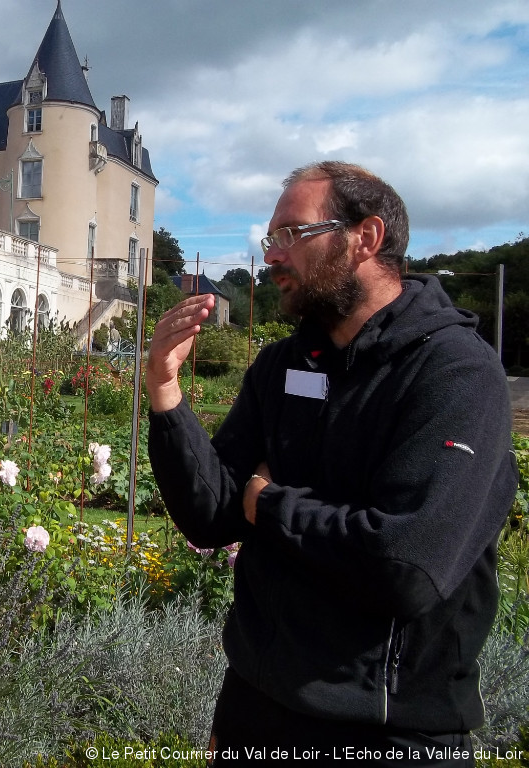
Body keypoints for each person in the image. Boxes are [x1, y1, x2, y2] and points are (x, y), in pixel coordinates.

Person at [146, 162, 517, 767]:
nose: (272, 257)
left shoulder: (455, 374)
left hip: (385, 735)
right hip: (254, 713)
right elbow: (212, 516)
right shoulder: (282, 367)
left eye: (293, 234)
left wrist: (267, 504)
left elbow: (406, 566)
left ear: (365, 238)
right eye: (271, 239)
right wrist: (165, 391)